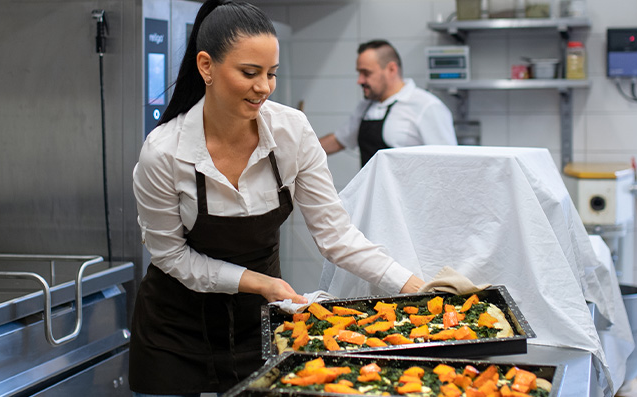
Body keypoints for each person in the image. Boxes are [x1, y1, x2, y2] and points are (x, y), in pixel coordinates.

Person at [129, 1, 425, 395]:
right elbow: (170, 256)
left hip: (261, 328)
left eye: (271, 74)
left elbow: (336, 236)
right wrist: (257, 282)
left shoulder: (291, 132)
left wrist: (415, 287)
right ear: (206, 67)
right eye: (250, 73)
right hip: (174, 332)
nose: (264, 88)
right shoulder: (164, 152)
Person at [319, 40, 458, 167]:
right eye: (359, 73)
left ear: (391, 69)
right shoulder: (365, 107)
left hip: (407, 194)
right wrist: (300, 152)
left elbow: (448, 163)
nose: (359, 80)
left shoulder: (426, 106)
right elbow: (339, 141)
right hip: (372, 194)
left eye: (366, 73)